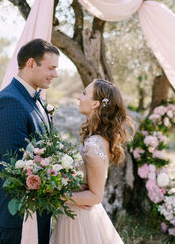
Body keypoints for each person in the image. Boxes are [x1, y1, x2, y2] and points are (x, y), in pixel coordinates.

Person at [0, 38, 59, 244]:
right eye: (51, 68)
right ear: (30, 64)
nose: (55, 74)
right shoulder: (9, 101)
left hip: (38, 208)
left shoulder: (34, 99)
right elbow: (17, 163)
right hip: (18, 213)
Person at [50, 79, 134, 244]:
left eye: (83, 94)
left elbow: (96, 196)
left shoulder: (94, 145)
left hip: (81, 220)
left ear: (96, 104)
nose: (79, 98)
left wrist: (55, 195)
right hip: (74, 210)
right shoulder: (95, 139)